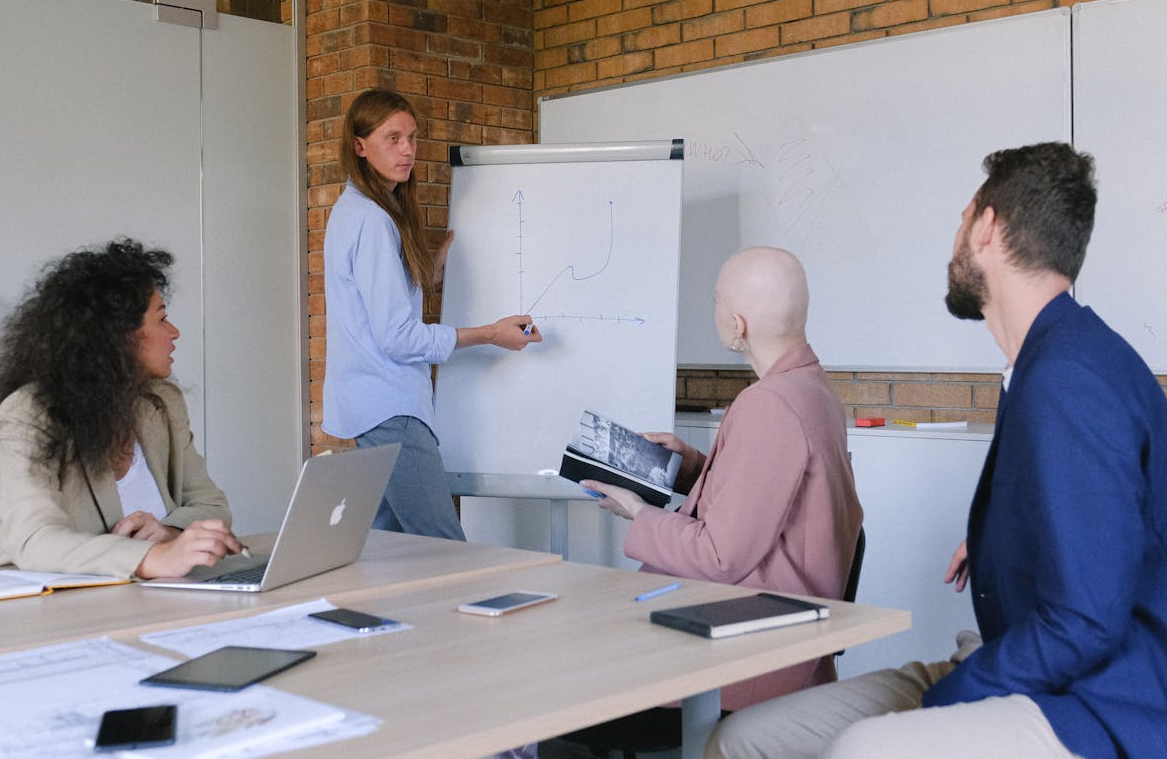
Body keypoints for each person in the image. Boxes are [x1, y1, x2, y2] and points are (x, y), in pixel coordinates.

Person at [708, 142, 1167, 759]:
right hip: (1027, 662)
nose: (953, 240)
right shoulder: (1049, 360)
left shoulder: (1069, 378)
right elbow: (1103, 526)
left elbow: (1085, 624)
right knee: (745, 739)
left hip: (1099, 704)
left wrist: (948, 703)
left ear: (987, 227)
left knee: (866, 749)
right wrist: (1000, 543)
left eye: (961, 220)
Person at [583, 246, 864, 711]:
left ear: (739, 325)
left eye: (716, 300)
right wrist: (691, 466)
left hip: (747, 648)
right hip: (786, 631)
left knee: (570, 662)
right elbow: (773, 495)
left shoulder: (769, 404)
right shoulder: (813, 388)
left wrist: (638, 512)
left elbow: (719, 557)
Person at [322, 89, 542, 540]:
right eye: (393, 138)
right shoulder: (371, 220)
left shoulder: (355, 211)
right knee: (446, 548)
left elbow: (372, 311)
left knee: (387, 553)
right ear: (359, 146)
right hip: (392, 409)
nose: (407, 150)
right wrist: (490, 334)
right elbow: (397, 338)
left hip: (372, 410)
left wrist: (428, 275)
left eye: (413, 138)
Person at [0, 239, 246, 580]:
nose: (174, 332)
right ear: (118, 336)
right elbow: (34, 540)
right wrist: (152, 558)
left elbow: (214, 506)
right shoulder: (29, 412)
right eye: (162, 319)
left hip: (134, 601)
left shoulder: (162, 403)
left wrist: (169, 533)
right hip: (23, 610)